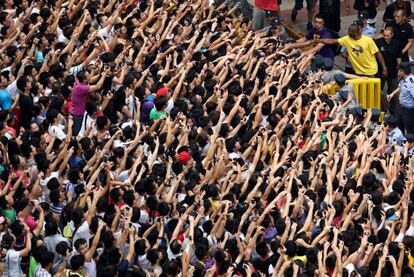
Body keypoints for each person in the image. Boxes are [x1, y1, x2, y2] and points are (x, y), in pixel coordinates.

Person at [315, 23, 388, 77]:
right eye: (349, 31)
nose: (349, 33)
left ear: (358, 32)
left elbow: (378, 54)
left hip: (370, 71)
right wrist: (317, 40)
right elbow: (331, 41)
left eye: (351, 31)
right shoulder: (347, 39)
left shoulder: (368, 40)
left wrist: (384, 68)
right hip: (358, 71)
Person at [375, 27, 401, 114]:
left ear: (392, 35)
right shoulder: (378, 42)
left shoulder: (397, 44)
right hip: (380, 71)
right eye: (384, 35)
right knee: (378, 91)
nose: (385, 37)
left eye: (388, 36)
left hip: (393, 72)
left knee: (393, 91)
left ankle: (393, 111)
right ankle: (378, 109)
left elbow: (398, 56)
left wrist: (399, 68)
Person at [387, 62, 414, 134]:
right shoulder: (403, 79)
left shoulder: (411, 83)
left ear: (403, 72)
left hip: (408, 110)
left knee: (409, 129)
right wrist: (392, 94)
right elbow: (400, 87)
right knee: (399, 126)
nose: (398, 72)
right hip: (400, 107)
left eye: (399, 70)